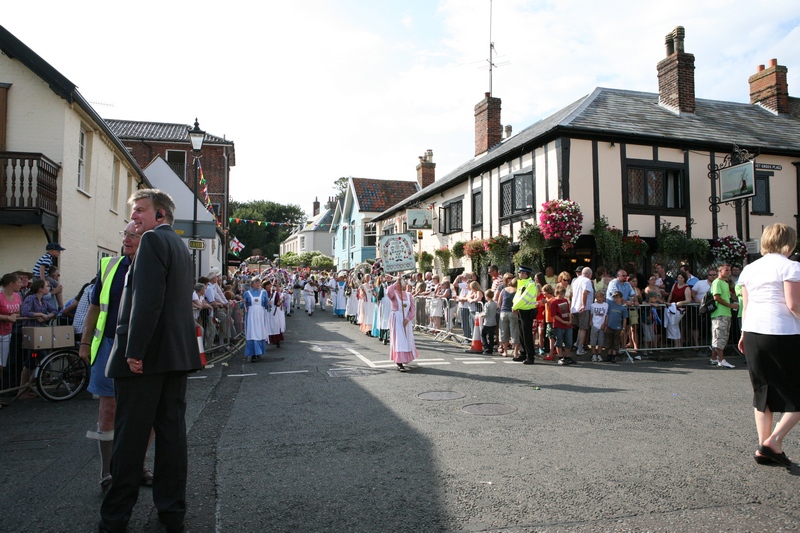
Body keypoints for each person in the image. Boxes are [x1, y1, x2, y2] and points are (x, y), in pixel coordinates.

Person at [99, 189, 202, 533]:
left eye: (140, 210)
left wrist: (135, 351)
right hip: (175, 356)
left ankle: (115, 517)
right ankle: (172, 511)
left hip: (147, 359)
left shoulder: (153, 241)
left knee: (129, 440)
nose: (134, 217)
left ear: (160, 215)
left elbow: (147, 300)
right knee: (172, 436)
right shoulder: (180, 246)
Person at [78, 222, 144, 495]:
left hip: (143, 348)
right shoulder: (109, 266)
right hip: (108, 345)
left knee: (144, 411)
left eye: (133, 235)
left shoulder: (154, 265)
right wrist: (85, 342)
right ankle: (107, 472)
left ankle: (137, 466)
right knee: (108, 410)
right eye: (125, 234)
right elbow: (94, 307)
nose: (126, 239)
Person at [737, 223, 800, 468]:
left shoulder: (749, 269)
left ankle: (765, 447)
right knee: (794, 391)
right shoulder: (791, 267)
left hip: (753, 332)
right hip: (782, 333)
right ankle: (773, 442)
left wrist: (743, 333)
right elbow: (793, 305)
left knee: (762, 390)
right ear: (789, 242)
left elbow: (747, 306)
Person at [18, 278, 57, 398]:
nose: (48, 288)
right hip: (31, 334)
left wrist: (47, 316)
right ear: (40, 289)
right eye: (46, 286)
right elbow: (25, 312)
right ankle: (25, 387)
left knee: (31, 362)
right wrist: (40, 314)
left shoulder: (43, 301)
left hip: (40, 335)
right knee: (43, 360)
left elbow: (54, 310)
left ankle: (25, 388)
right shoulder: (30, 298)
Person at [709, 264, 738, 368]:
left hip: (726, 313)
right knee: (719, 337)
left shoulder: (725, 283)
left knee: (720, 337)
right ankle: (721, 360)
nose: (729, 272)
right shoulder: (717, 282)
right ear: (720, 271)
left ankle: (713, 358)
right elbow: (716, 297)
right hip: (719, 313)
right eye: (726, 270)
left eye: (729, 270)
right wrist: (730, 305)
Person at [387, 275, 418, 372]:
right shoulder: (394, 294)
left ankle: (405, 358)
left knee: (407, 339)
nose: (400, 284)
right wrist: (396, 282)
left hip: (406, 320)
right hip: (397, 318)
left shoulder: (409, 295)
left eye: (401, 283)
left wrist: (408, 319)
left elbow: (412, 309)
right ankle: (399, 362)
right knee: (399, 340)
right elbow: (388, 292)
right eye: (399, 283)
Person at [0, 272, 23, 403]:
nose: (21, 284)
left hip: (8, 333)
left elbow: (18, 312)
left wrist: (14, 316)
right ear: (11, 284)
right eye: (19, 282)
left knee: (4, 365)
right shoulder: (0, 296)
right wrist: (8, 318)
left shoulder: (17, 296)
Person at [512, 266, 538, 364]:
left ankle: (530, 356)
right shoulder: (522, 283)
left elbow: (524, 298)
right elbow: (517, 297)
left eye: (520, 272)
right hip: (521, 310)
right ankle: (523, 353)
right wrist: (515, 306)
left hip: (527, 311)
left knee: (527, 335)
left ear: (525, 273)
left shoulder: (530, 284)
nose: (519, 274)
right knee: (521, 334)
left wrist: (515, 307)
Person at [243, 278, 268, 362]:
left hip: (260, 315)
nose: (258, 284)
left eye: (258, 283)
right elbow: (243, 306)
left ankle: (259, 351)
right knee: (252, 332)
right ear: (252, 284)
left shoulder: (264, 293)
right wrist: (243, 303)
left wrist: (269, 304)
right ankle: (253, 354)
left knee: (260, 332)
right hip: (251, 316)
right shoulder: (247, 293)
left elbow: (266, 305)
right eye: (256, 283)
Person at [570, 267, 594, 356]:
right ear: (590, 275)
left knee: (578, 327)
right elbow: (585, 292)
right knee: (583, 328)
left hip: (574, 307)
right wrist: (584, 305)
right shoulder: (587, 281)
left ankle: (577, 344)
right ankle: (580, 348)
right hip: (583, 308)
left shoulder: (575, 280)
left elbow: (572, 294)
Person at [551, 285, 574, 365]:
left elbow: (568, 311)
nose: (561, 296)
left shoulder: (565, 300)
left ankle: (567, 357)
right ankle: (560, 357)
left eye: (562, 294)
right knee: (559, 341)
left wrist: (570, 320)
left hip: (567, 324)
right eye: (559, 294)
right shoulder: (554, 302)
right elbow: (554, 315)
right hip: (559, 325)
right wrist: (562, 321)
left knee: (569, 342)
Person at [605, 291, 628, 363]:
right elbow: (607, 316)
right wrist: (606, 325)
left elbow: (624, 319)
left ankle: (614, 355)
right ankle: (609, 354)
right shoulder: (611, 306)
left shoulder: (623, 308)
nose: (616, 299)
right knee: (609, 341)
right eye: (615, 298)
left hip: (618, 327)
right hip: (610, 326)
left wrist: (623, 328)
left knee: (616, 342)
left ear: (621, 298)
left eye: (617, 298)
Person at [589, 291, 608, 362]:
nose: (599, 299)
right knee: (593, 340)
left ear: (603, 298)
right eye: (598, 297)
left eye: (601, 297)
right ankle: (593, 354)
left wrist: (605, 324)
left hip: (601, 325)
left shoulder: (606, 305)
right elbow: (591, 314)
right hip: (595, 324)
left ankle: (599, 354)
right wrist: (591, 321)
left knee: (601, 341)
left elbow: (606, 315)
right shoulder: (593, 305)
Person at [481, 289, 497, 355]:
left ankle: (486, 347)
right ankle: (491, 349)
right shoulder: (495, 303)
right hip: (493, 322)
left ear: (487, 296)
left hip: (487, 322)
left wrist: (481, 315)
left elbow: (486, 314)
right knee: (491, 336)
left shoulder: (487, 304)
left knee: (483, 334)